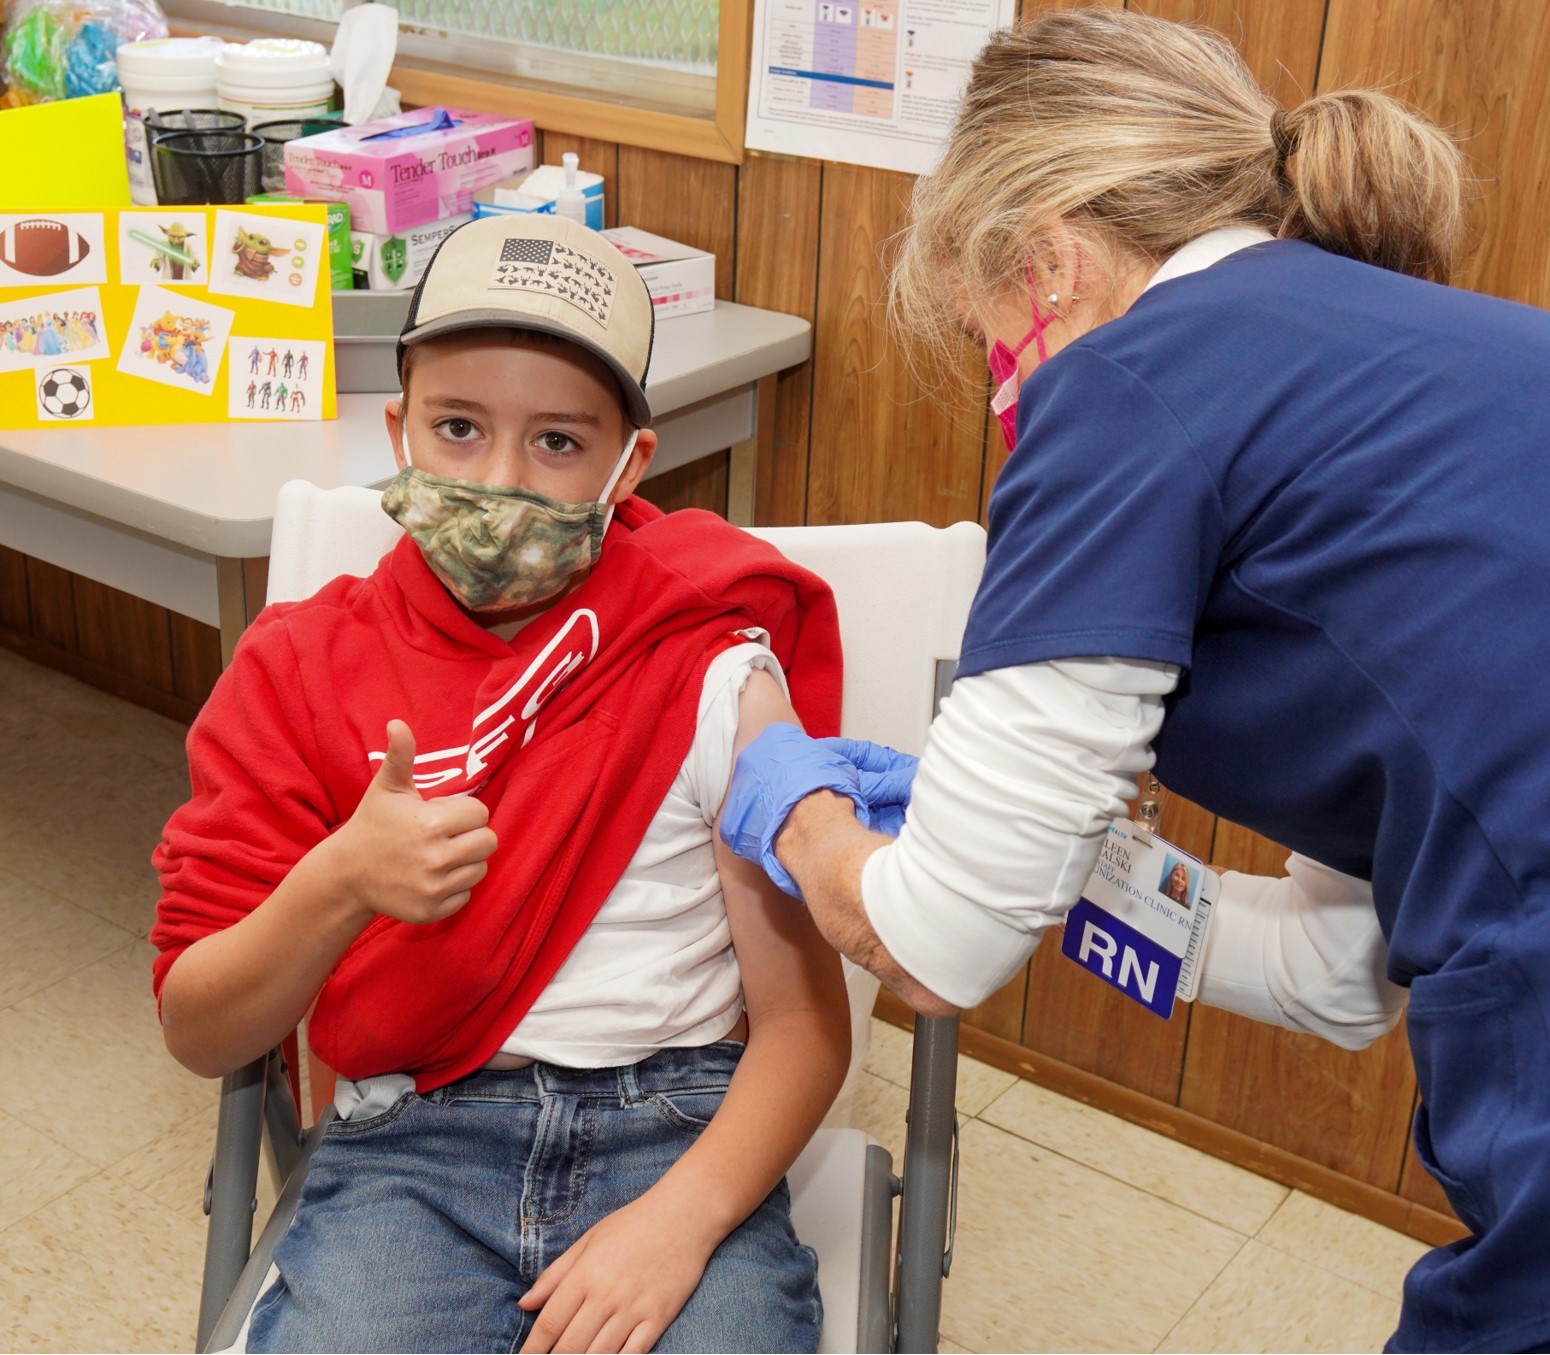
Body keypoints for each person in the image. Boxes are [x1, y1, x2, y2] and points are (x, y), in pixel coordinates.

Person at [717, 10, 1550, 1352]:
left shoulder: (1122, 382)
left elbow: (931, 951)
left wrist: (788, 792)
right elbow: (1340, 968)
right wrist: (1066, 861)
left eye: (986, 346)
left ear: (1045, 265)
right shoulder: (1392, 352)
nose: (1003, 394)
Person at [151, 215, 853, 1354]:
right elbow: (199, 1024)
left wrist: (677, 1223)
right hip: (409, 1148)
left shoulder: (706, 659)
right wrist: (338, 881)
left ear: (632, 462)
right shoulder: (296, 669)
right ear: (399, 429)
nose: (499, 479)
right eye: (459, 426)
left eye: (559, 442)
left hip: (673, 1131)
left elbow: (804, 1027)